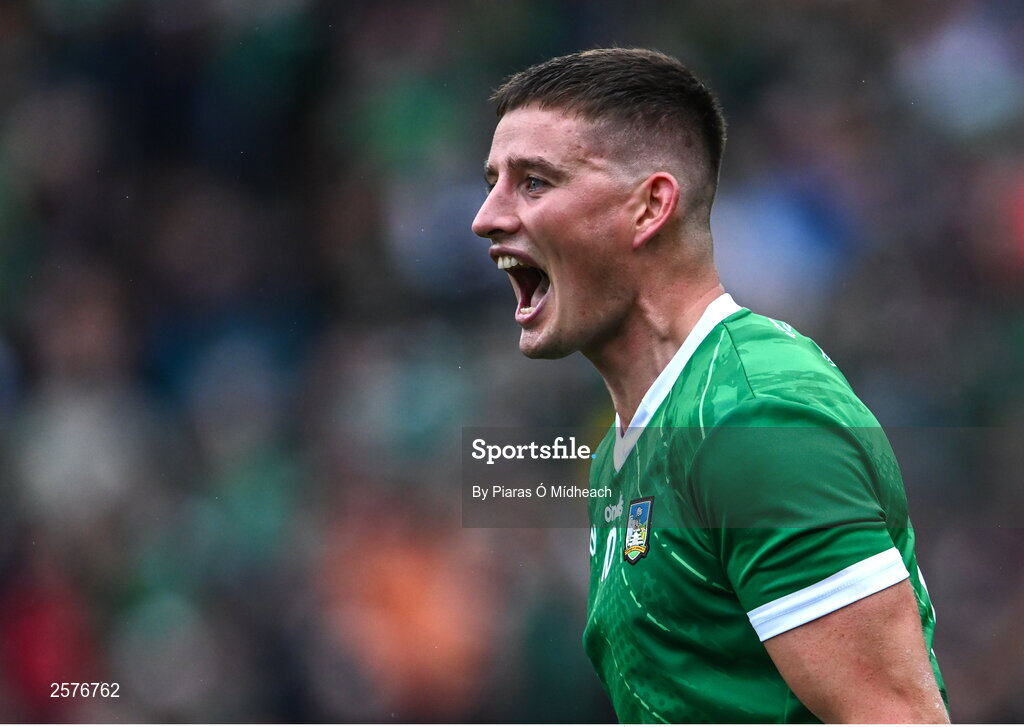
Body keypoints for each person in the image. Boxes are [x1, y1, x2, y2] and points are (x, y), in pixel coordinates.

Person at [472, 48, 949, 723]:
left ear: (649, 207)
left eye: (535, 182)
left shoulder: (754, 418)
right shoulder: (620, 453)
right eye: (492, 181)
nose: (486, 216)